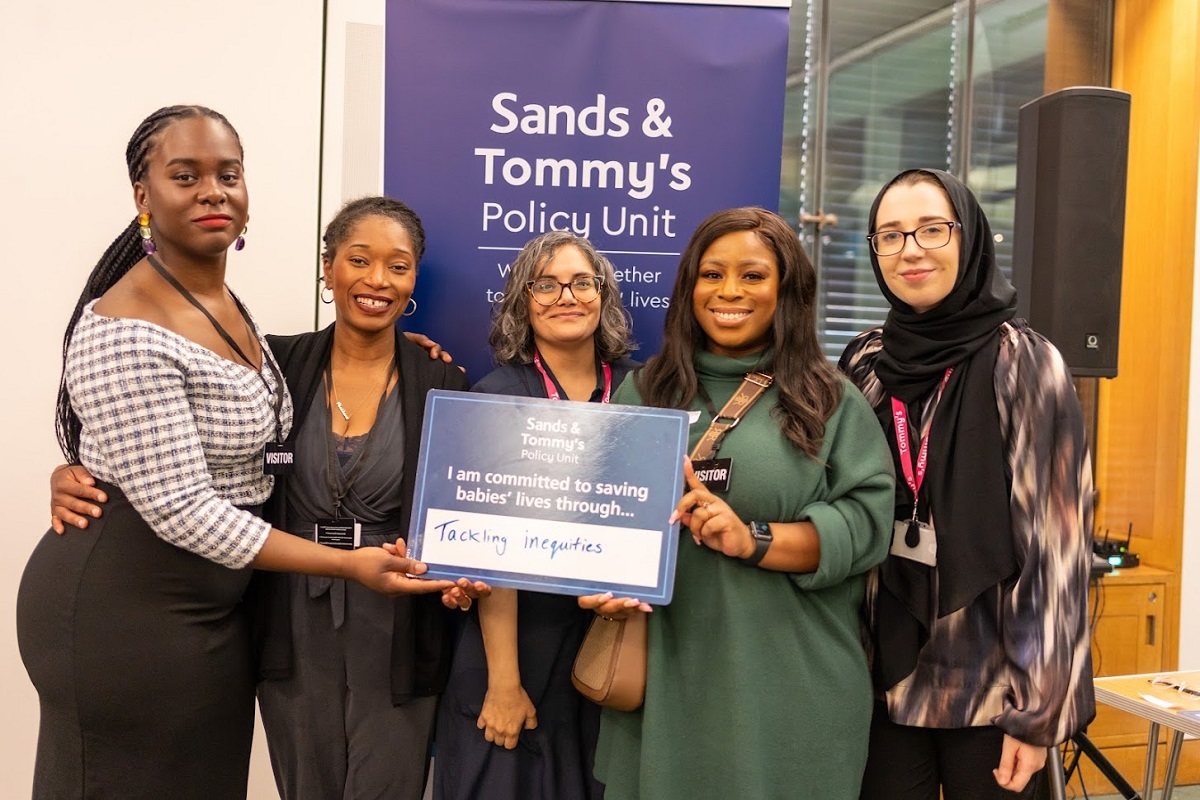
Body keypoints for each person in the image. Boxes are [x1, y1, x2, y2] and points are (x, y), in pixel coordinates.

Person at [21, 106, 476, 800]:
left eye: (227, 174)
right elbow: (181, 507)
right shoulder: (130, 323)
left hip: (221, 617)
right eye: (186, 175)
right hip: (136, 609)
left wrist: (401, 361)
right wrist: (78, 472)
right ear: (143, 196)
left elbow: (202, 436)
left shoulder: (231, 312)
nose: (213, 190)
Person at [579, 207, 896, 799]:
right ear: (689, 287)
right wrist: (602, 583)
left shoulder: (829, 400)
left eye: (753, 275)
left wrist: (755, 539)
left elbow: (867, 523)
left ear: (787, 292)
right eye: (711, 273)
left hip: (792, 693)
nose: (729, 291)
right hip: (669, 683)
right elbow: (603, 520)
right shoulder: (646, 391)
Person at [839, 168, 1095, 799]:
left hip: (993, 692)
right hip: (883, 685)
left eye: (932, 228)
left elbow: (1057, 548)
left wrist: (1039, 715)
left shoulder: (1025, 362)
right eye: (891, 236)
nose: (912, 250)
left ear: (970, 235)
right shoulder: (865, 362)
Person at [433, 230, 639, 800]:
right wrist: (504, 682)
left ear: (604, 295)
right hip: (515, 642)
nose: (565, 296)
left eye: (581, 282)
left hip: (613, 638)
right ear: (524, 301)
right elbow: (488, 550)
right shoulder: (495, 397)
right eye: (545, 284)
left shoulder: (642, 394)